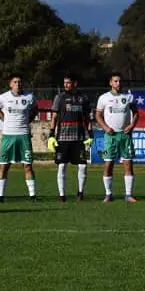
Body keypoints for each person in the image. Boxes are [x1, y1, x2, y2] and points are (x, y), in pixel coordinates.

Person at [48, 73, 93, 202]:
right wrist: (51, 134)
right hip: (62, 139)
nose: (65, 85)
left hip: (79, 139)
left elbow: (88, 118)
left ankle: (80, 193)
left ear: (75, 83)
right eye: (64, 82)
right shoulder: (59, 97)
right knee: (62, 166)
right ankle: (62, 196)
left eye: (68, 82)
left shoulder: (83, 98)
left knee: (83, 166)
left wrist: (90, 135)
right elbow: (54, 117)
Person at [0, 73, 38, 202]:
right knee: (4, 166)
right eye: (15, 82)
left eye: (19, 82)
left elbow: (35, 109)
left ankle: (32, 196)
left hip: (24, 135)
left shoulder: (30, 97)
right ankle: (0, 196)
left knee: (28, 166)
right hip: (8, 136)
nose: (18, 84)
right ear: (10, 84)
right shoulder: (3, 97)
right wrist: (5, 120)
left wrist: (28, 121)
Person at [95, 73, 139, 203]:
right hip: (110, 136)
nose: (118, 84)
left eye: (120, 81)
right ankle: (108, 194)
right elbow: (98, 115)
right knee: (108, 164)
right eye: (115, 81)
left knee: (128, 164)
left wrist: (131, 125)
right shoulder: (104, 98)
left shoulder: (128, 97)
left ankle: (128, 194)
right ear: (111, 83)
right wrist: (105, 128)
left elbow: (136, 113)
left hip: (125, 135)